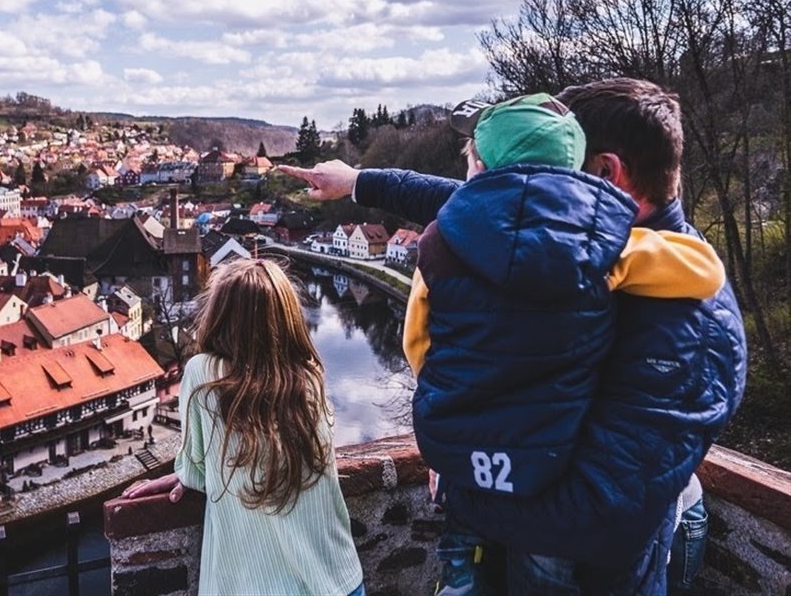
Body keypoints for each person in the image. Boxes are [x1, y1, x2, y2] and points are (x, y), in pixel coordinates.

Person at [280, 78, 746, 595]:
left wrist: (465, 473)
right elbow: (482, 209)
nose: (515, 191)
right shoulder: (569, 243)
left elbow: (594, 509)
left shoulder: (685, 315)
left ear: (604, 173)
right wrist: (359, 181)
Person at [397, 93, 723, 595]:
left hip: (481, 463)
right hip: (553, 462)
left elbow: (417, 344)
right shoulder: (602, 247)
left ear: (479, 170)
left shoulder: (442, 244)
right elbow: (700, 270)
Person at [121, 258, 364, 596]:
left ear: (219, 315)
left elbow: (195, 473)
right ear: (286, 316)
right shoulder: (309, 378)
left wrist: (185, 472)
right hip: (340, 580)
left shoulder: (203, 375)